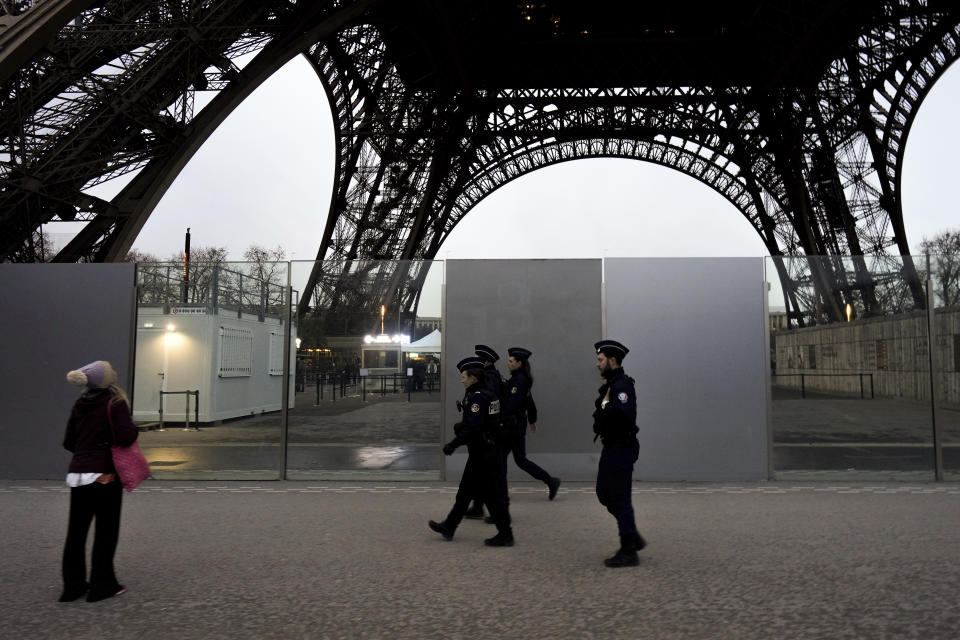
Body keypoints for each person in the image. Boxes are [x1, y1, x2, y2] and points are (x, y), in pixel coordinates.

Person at [59, 360, 139, 602]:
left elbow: (68, 442)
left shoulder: (80, 403)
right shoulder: (115, 403)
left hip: (78, 474)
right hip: (105, 474)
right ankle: (102, 585)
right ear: (105, 379)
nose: (115, 371)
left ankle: (73, 587)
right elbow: (126, 436)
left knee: (76, 532)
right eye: (110, 369)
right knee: (106, 530)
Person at [428, 357, 513, 546]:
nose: (462, 379)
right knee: (466, 492)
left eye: (464, 376)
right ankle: (449, 526)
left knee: (491, 496)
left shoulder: (478, 397)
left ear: (473, 377)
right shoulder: (485, 393)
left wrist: (453, 444)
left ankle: (506, 534)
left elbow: (475, 428)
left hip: (484, 453)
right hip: (484, 451)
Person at [592, 340, 646, 568]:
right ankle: (631, 534)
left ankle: (628, 550)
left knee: (620, 498)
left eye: (600, 359)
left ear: (612, 360)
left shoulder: (622, 385)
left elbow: (626, 416)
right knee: (604, 493)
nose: (597, 364)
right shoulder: (612, 384)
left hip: (621, 447)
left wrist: (605, 407)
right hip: (612, 446)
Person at [501, 347, 560, 500]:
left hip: (513, 425)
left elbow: (513, 404)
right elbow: (530, 401)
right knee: (509, 458)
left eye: (511, 361)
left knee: (516, 459)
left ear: (519, 363)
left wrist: (499, 419)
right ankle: (550, 481)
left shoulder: (519, 381)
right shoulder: (519, 379)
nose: (508, 363)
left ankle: (551, 481)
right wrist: (532, 420)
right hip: (515, 424)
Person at [463, 344, 505, 520]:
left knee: (488, 474)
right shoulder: (490, 376)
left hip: (486, 433)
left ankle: (498, 516)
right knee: (481, 473)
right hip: (484, 433)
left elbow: (487, 406)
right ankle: (478, 507)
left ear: (486, 362)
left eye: (477, 358)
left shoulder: (490, 379)